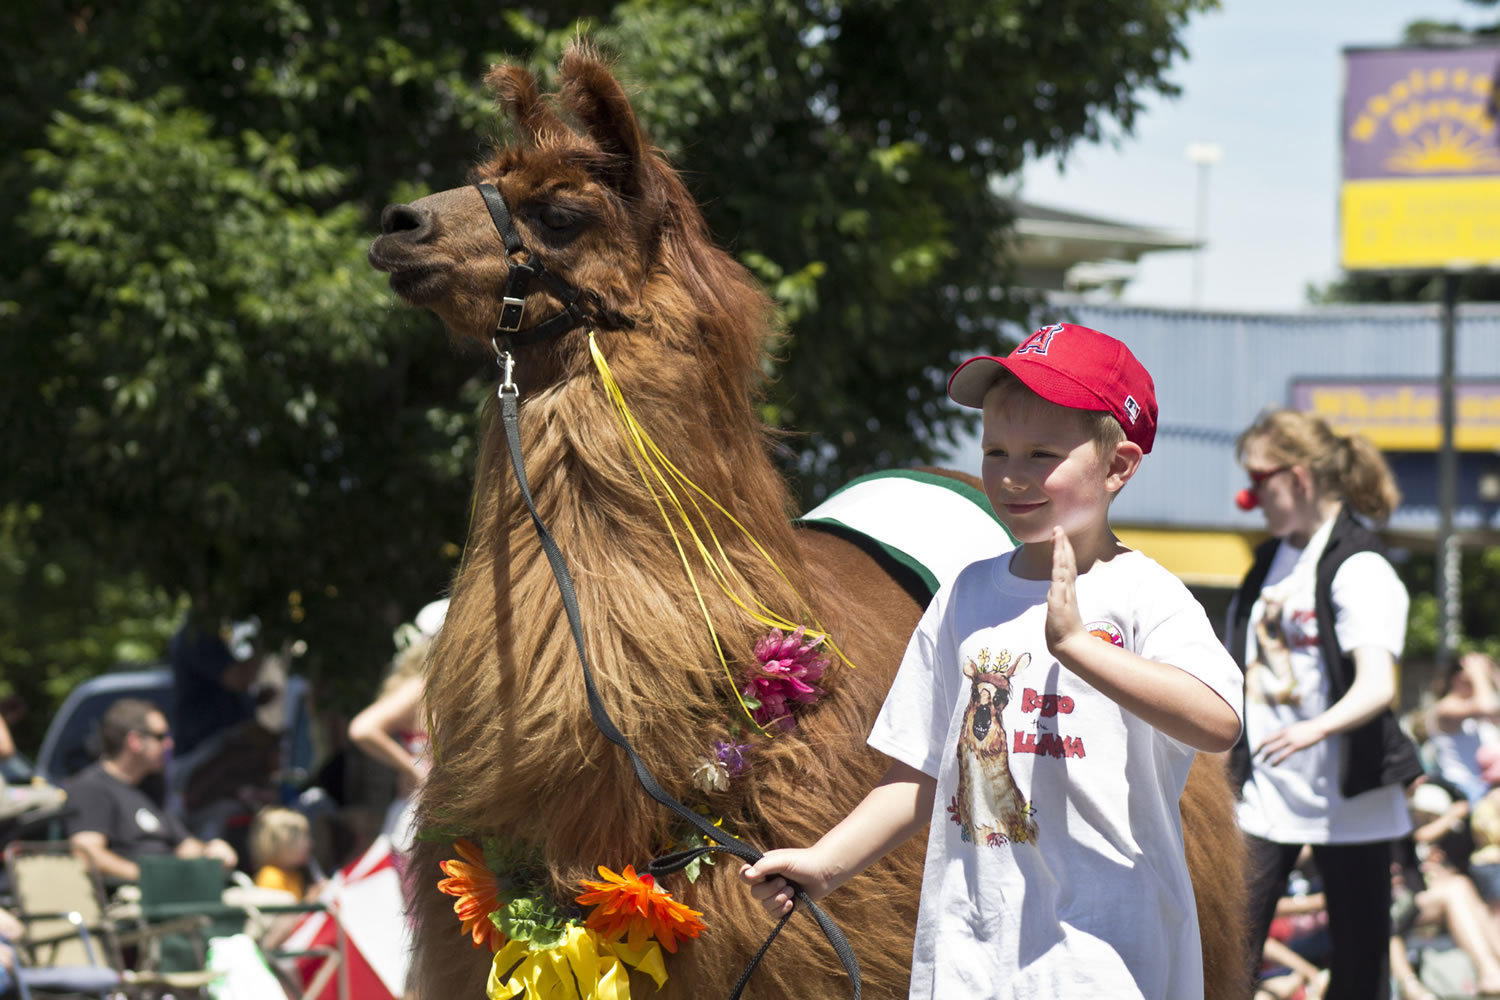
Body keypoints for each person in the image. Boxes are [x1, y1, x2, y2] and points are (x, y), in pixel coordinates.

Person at [742, 322, 1244, 998]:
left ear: (1118, 466)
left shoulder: (1142, 593)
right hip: (972, 955)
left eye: (1042, 454)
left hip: (1108, 957)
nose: (1011, 474)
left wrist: (1080, 650)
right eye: (995, 449)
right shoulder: (966, 594)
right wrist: (825, 865)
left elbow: (1217, 721)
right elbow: (917, 773)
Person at [1228, 407, 1424, 1000]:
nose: (1252, 495)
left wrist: (1316, 728)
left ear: (1300, 477)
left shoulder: (1360, 564)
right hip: (1266, 794)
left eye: (1261, 480)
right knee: (1229, 955)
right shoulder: (1268, 560)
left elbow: (1377, 684)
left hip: (1350, 800)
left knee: (1361, 974)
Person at [63, 697, 237, 882]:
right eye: (161, 737)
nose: (169, 744)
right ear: (135, 741)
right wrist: (149, 879)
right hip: (128, 899)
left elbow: (185, 847)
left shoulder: (149, 788)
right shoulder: (91, 787)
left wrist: (210, 850)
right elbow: (87, 854)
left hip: (172, 892)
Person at [347, 598, 445, 856]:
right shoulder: (422, 686)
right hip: (418, 820)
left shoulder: (441, 688)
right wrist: (415, 770)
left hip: (438, 819)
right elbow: (362, 728)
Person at [1428, 652, 1500, 806]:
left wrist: (1494, 676)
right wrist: (1478, 673)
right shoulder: (1445, 707)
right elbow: (1488, 707)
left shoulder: (1475, 709)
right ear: (1458, 678)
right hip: (1461, 791)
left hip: (1482, 788)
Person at [249, 805, 319, 899]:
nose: (310, 844)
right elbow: (280, 913)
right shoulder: (270, 877)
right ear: (283, 844)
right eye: (303, 838)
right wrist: (309, 902)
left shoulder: (295, 874)